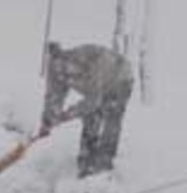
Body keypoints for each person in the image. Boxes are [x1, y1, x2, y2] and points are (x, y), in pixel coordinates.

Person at [40, 42, 135, 177]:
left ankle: (104, 163)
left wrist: (68, 114)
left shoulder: (91, 59)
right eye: (58, 71)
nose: (63, 75)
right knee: (90, 119)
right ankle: (85, 163)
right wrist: (48, 120)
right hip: (97, 88)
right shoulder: (55, 70)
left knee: (111, 117)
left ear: (68, 58)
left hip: (120, 79)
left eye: (66, 70)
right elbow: (53, 96)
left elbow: (93, 101)